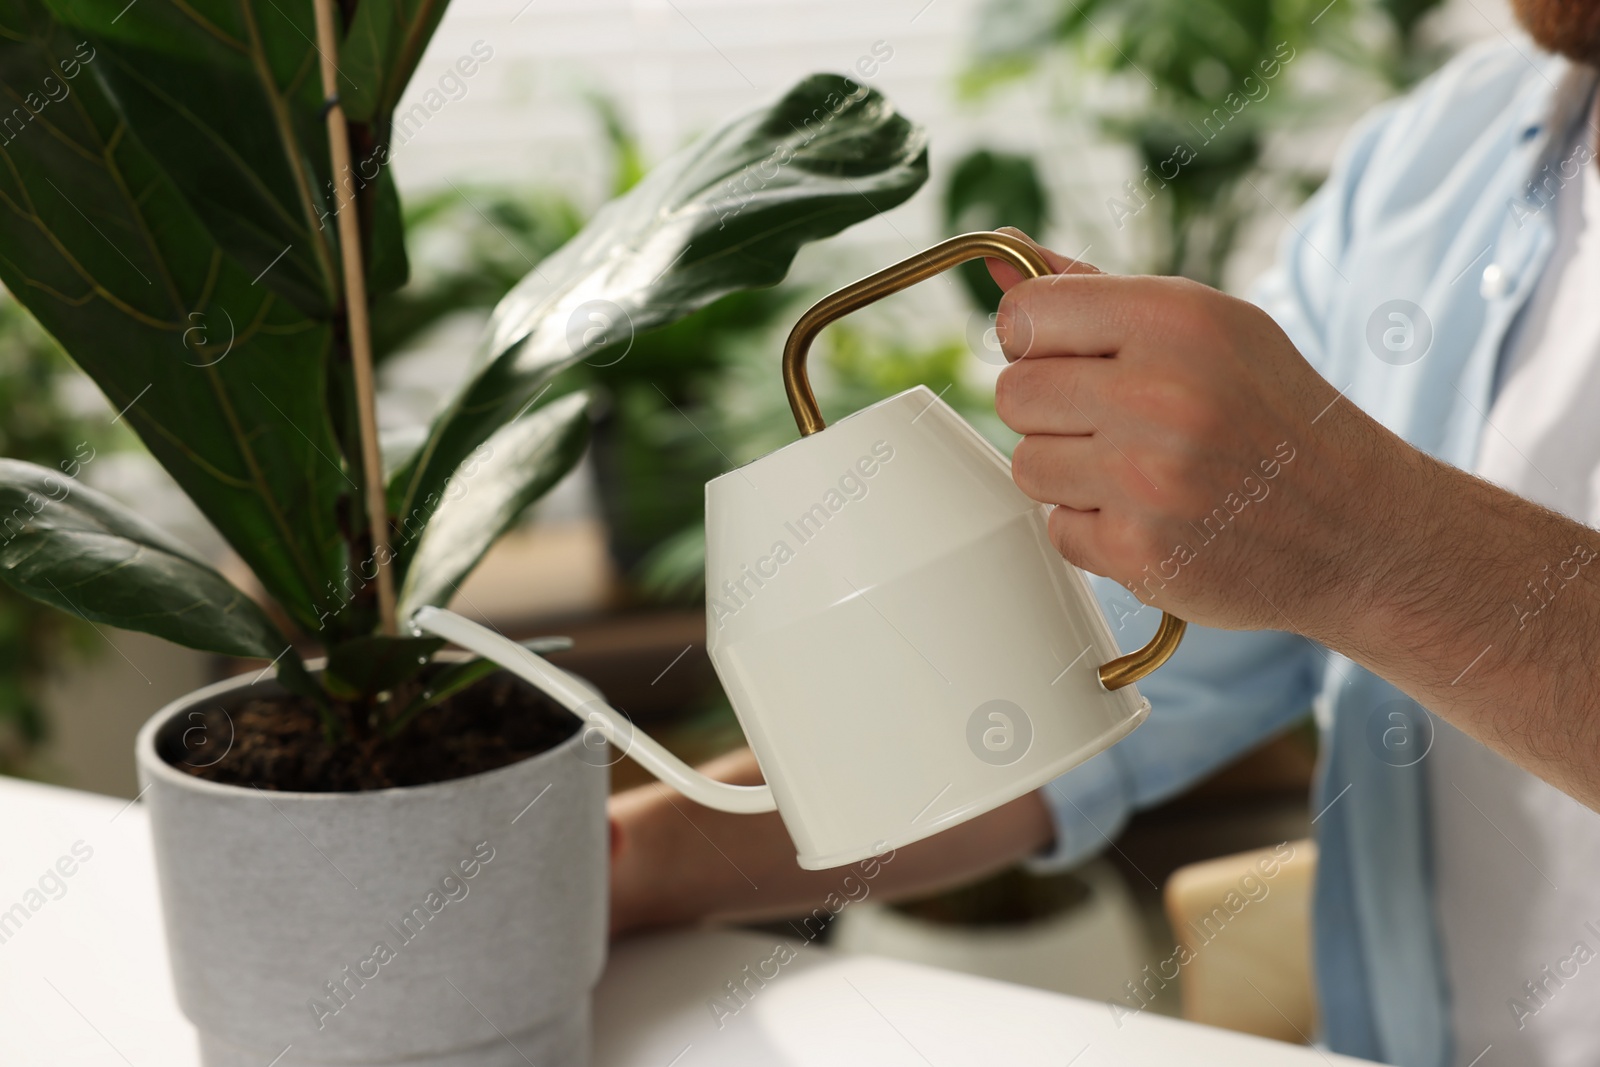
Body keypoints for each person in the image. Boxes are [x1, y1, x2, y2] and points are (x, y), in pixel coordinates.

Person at [609, 4, 1600, 1065]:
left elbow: (1335, 539)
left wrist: (1378, 544)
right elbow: (1090, 665)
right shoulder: (1434, 164)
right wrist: (634, 860)